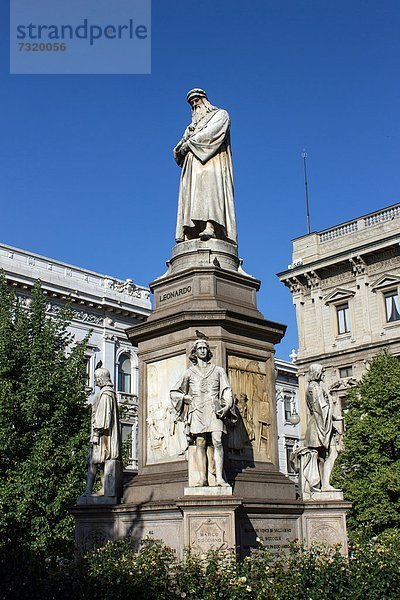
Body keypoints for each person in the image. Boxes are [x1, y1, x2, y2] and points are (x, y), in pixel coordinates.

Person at [173, 88, 237, 244]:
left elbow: (213, 133)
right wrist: (180, 147)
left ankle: (211, 226)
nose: (195, 105)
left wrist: (189, 143)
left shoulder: (220, 115)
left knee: (209, 193)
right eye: (191, 103)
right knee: (193, 196)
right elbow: (178, 148)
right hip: (192, 166)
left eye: (197, 100)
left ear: (205, 100)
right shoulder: (190, 127)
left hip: (210, 162)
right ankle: (191, 230)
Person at [170, 339, 235, 486]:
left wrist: (226, 406)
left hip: (214, 409)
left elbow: (226, 390)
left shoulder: (218, 370)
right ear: (195, 352)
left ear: (208, 351)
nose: (202, 350)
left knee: (217, 440)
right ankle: (202, 478)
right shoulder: (189, 373)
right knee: (200, 442)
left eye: (205, 348)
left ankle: (219, 477)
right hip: (198, 409)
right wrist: (185, 397)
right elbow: (175, 392)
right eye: (199, 348)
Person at [293, 363, 343, 493]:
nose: (323, 374)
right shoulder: (314, 388)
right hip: (319, 426)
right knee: (331, 453)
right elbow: (321, 408)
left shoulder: (313, 387)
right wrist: (333, 417)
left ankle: (323, 484)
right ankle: (323, 484)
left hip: (318, 424)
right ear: (317, 373)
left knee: (322, 456)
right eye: (322, 371)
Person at [84, 362, 122, 497]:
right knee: (97, 462)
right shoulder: (106, 394)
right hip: (101, 435)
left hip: (102, 436)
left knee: (99, 461)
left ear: (101, 378)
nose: (94, 381)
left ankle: (104, 488)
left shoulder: (106, 395)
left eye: (96, 378)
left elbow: (103, 421)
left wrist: (95, 433)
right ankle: (98, 488)